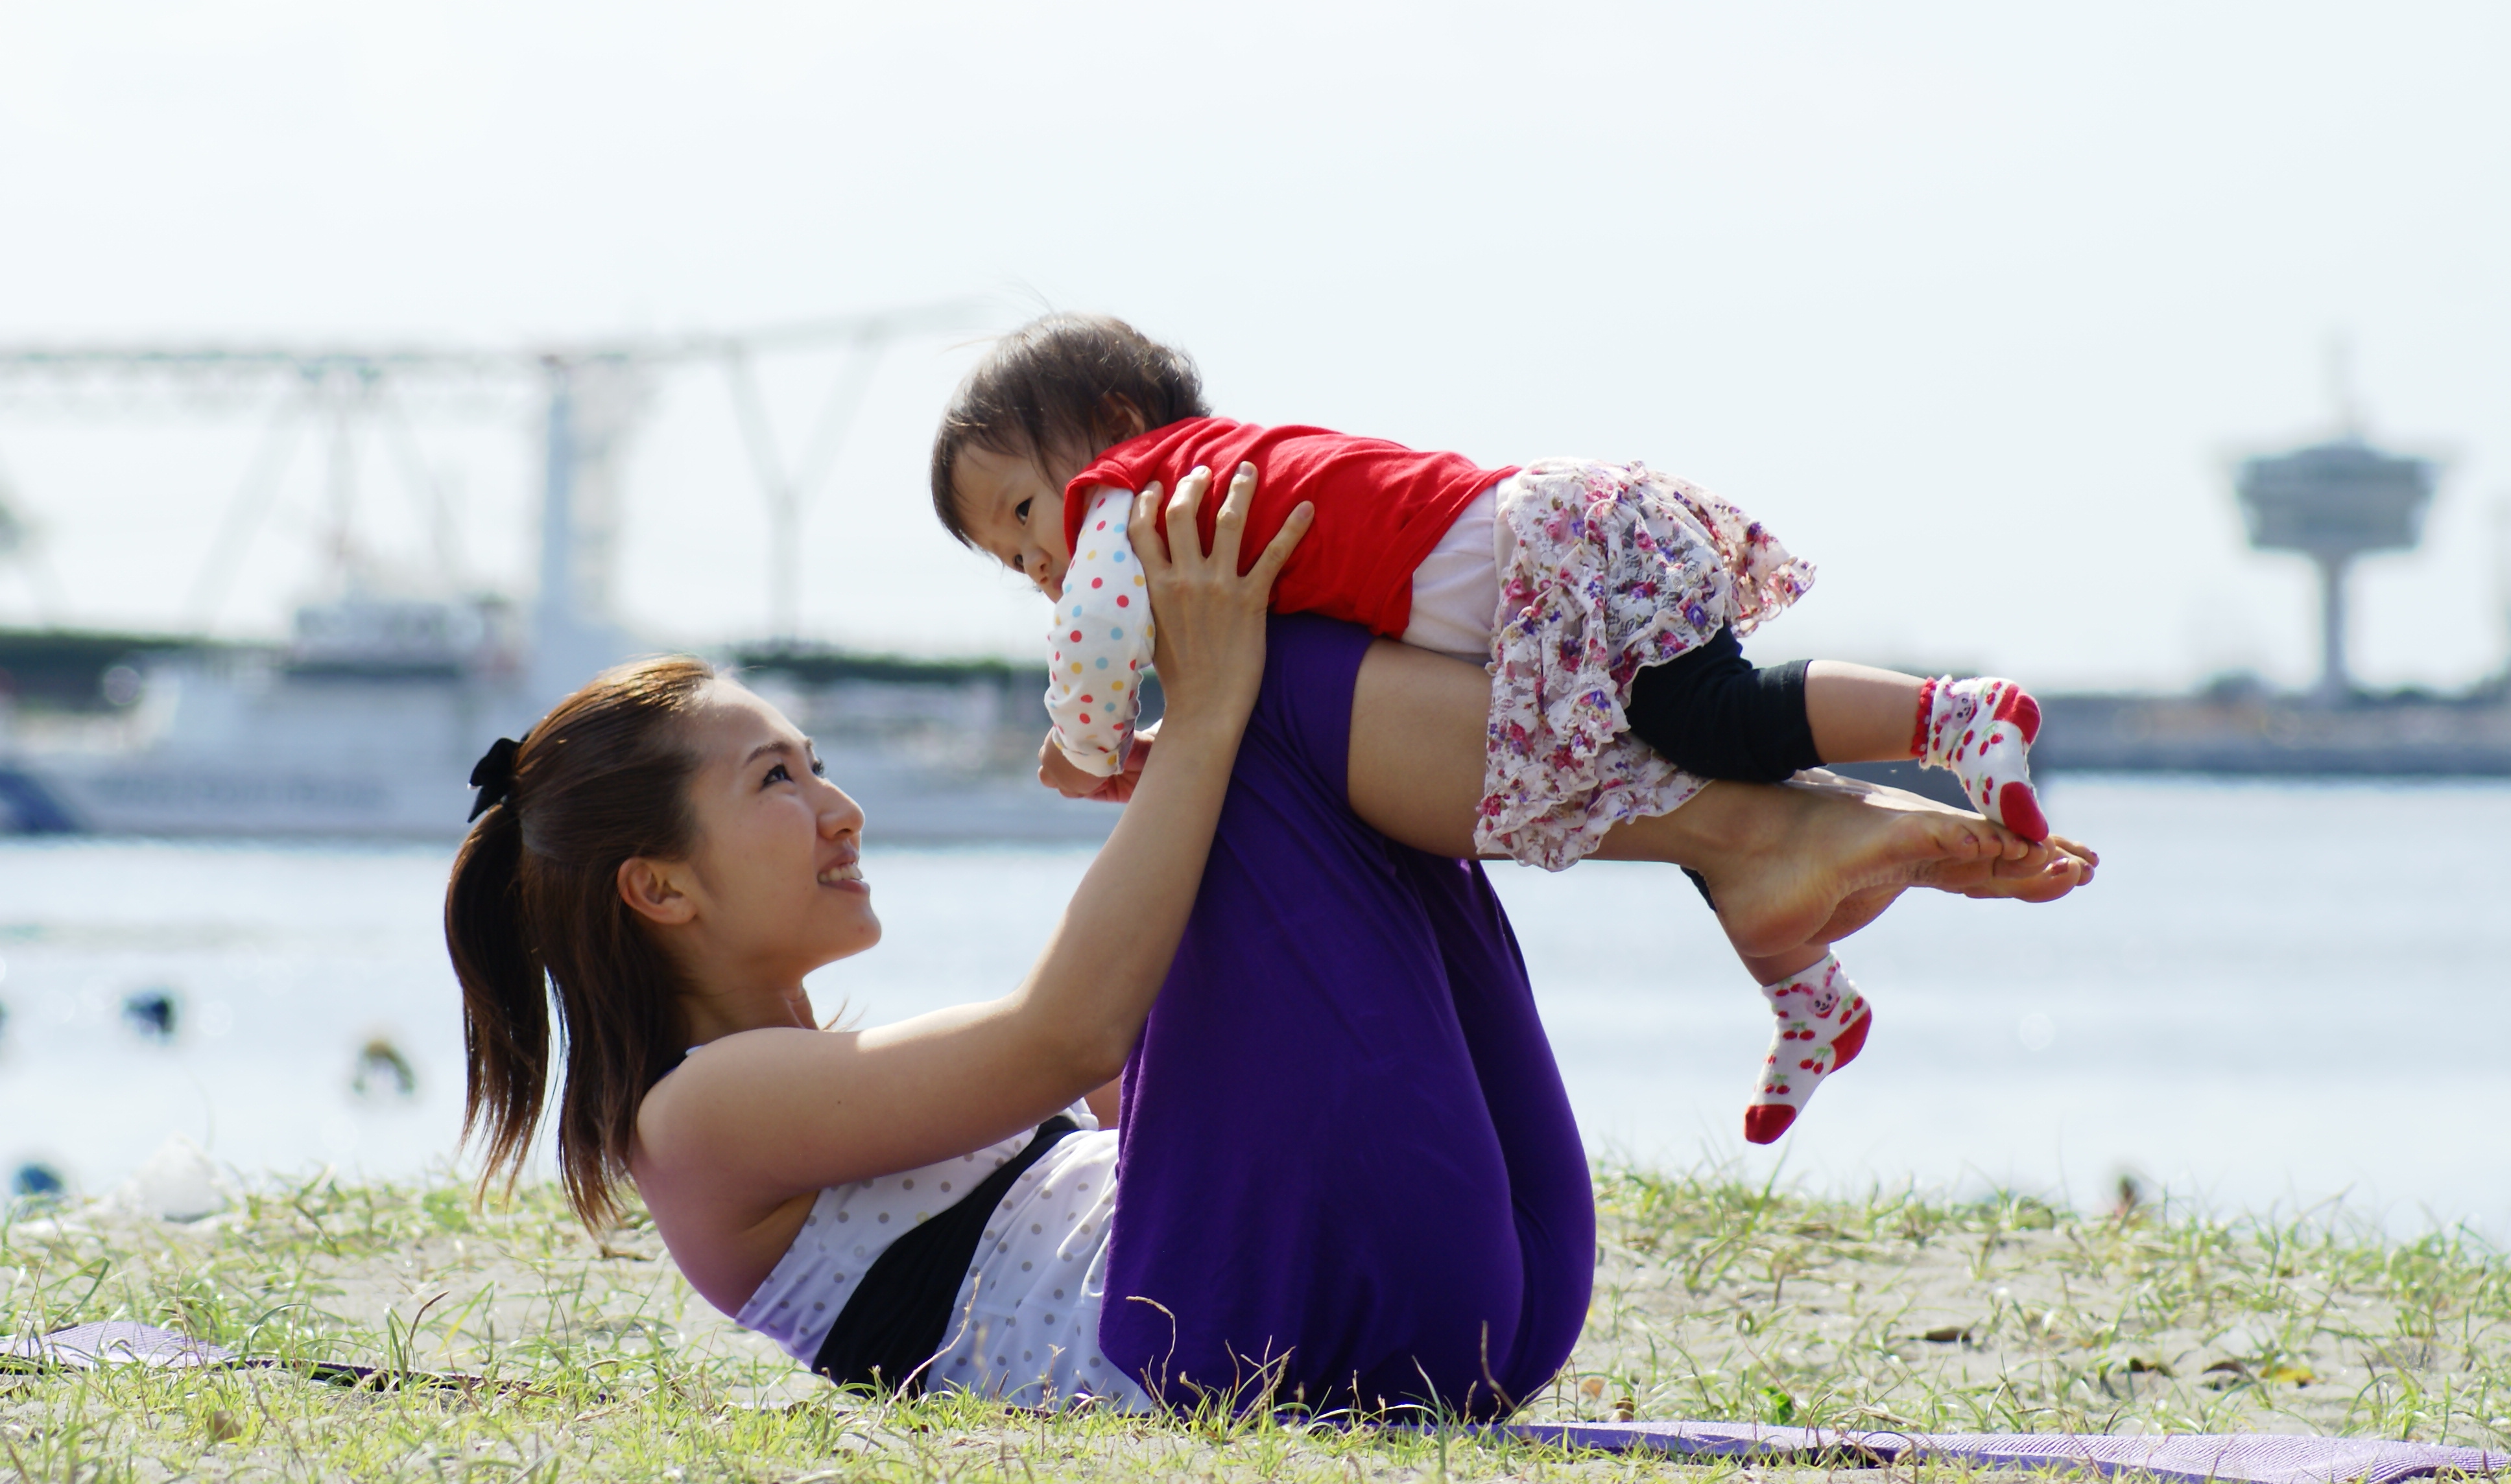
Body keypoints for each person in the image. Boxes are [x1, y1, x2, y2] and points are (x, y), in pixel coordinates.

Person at [445, 467, 2084, 1418]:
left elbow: (1133, 1068)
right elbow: (1072, 1036)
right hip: (1276, 1330)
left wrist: (1205, 748)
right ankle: (1752, 836)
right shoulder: (696, 1119)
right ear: (657, 890)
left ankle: (1761, 835)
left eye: (812, 764)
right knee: (1274, 689)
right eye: (777, 782)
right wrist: (1203, 708)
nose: (837, 805)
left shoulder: (829, 1081)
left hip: (1461, 1295)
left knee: (1291, 705)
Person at [930, 313, 2094, 1142]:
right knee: (1649, 764)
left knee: (1718, 719)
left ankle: (1952, 716)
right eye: (1010, 558)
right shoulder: (1219, 486)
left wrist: (1085, 746)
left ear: (1116, 424)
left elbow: (1096, 637)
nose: (1039, 557)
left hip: (1564, 544)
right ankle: (1809, 996)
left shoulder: (1137, 486)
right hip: (1550, 568)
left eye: (1026, 512)